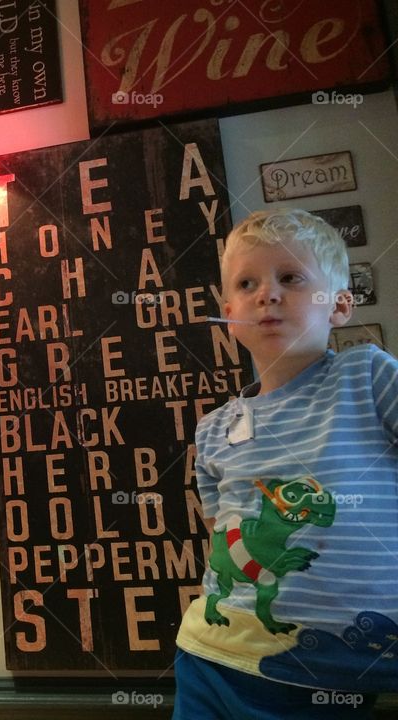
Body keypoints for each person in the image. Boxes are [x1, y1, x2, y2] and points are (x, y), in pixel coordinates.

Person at [173, 208, 398, 719]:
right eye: (247, 283)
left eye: (291, 278)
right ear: (229, 313)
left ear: (339, 305)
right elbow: (220, 535)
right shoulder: (211, 429)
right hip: (208, 654)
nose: (267, 294)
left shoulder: (367, 376)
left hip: (333, 667)